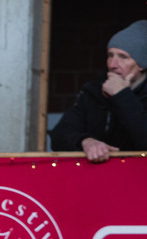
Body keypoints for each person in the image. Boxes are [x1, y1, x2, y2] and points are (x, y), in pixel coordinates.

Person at [50, 20, 147, 163]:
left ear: (141, 64)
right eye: (110, 55)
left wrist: (122, 96)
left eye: (123, 57)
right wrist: (85, 141)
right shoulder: (93, 90)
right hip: (96, 177)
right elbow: (59, 135)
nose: (113, 64)